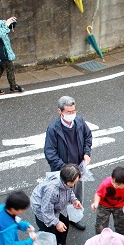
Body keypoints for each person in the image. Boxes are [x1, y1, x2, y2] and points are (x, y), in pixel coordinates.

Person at [44, 95, 93, 231]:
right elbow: (50, 153)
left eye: (73, 111)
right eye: (68, 112)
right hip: (62, 171)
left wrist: (86, 153)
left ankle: (75, 217)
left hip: (79, 168)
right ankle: (60, 222)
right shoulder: (53, 129)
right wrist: (66, 169)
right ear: (60, 111)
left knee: (77, 195)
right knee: (60, 197)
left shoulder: (79, 121)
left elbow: (88, 137)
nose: (72, 114)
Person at [30, 164, 82, 245]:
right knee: (48, 231)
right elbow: (46, 211)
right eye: (73, 183)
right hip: (42, 209)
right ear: (65, 180)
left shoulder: (68, 181)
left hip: (58, 205)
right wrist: (56, 222)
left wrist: (74, 200)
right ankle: (36, 244)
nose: (74, 185)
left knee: (64, 223)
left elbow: (69, 191)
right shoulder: (51, 190)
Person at [91, 166, 124, 236]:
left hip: (120, 205)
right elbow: (98, 194)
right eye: (113, 182)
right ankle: (101, 240)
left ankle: (118, 238)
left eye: (118, 184)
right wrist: (96, 203)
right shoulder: (106, 184)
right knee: (100, 227)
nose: (114, 185)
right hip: (104, 205)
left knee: (121, 226)